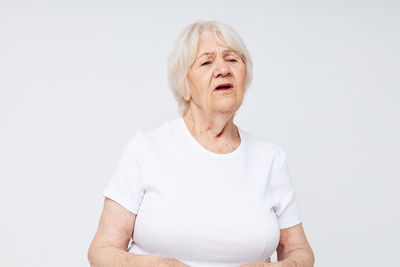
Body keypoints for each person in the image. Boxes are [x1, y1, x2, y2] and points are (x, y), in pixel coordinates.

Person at [88, 21, 315, 267]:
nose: (223, 69)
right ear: (185, 87)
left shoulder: (270, 159)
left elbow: (299, 250)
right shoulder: (146, 150)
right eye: (206, 62)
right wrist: (160, 266)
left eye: (232, 60)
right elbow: (101, 251)